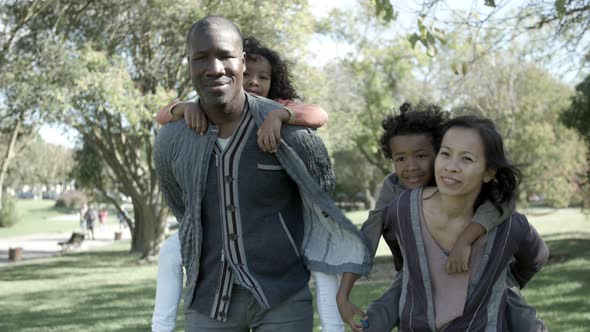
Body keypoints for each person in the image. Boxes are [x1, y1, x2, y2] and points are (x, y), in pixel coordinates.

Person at [153, 16, 370, 332]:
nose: (214, 68)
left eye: (225, 56)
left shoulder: (289, 130)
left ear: (241, 62)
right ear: (190, 64)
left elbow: (320, 192)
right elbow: (179, 203)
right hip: (209, 301)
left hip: (282, 297)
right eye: (201, 58)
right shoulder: (172, 138)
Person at [338, 115, 549, 331]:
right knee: (386, 308)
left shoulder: (468, 184)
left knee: (512, 302)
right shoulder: (394, 190)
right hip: (413, 272)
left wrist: (464, 241)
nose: (411, 167)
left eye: (421, 156)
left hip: (488, 276)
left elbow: (505, 201)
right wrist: (343, 295)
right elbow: (368, 236)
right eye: (400, 159)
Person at [154, 36, 328, 153]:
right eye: (246, 75)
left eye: (263, 77)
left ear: (272, 82)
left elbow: (319, 115)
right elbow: (160, 117)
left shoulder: (277, 105)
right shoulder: (214, 107)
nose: (254, 82)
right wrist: (184, 108)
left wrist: (279, 115)